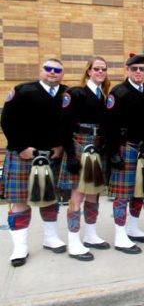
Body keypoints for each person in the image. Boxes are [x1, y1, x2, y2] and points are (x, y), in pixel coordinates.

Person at [1, 59, 67, 267]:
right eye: (48, 69)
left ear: (62, 74)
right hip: (24, 154)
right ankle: (20, 247)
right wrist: (20, 147)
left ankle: (50, 237)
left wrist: (62, 145)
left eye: (57, 70)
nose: (52, 73)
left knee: (50, 199)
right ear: (41, 71)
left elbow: (68, 124)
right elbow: (7, 120)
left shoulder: (66, 94)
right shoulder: (22, 91)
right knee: (20, 200)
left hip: (52, 155)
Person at [59, 56, 111, 261]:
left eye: (103, 69)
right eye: (96, 68)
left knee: (93, 194)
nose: (100, 72)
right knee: (77, 196)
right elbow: (64, 124)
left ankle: (90, 235)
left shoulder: (104, 96)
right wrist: (70, 154)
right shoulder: (75, 93)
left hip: (97, 147)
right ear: (88, 71)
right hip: (79, 144)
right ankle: (73, 241)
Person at [106, 51, 144, 254]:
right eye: (134, 69)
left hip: (142, 147)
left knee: (139, 191)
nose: (138, 72)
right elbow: (109, 126)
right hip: (123, 146)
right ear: (127, 70)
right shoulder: (118, 92)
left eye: (142, 69)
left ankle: (133, 228)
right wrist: (113, 153)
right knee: (122, 194)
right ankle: (120, 235)